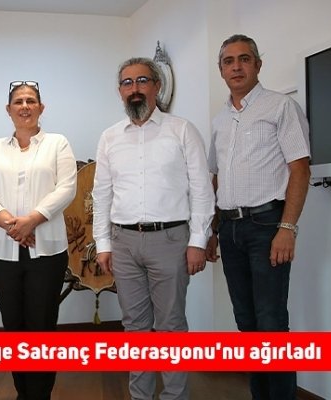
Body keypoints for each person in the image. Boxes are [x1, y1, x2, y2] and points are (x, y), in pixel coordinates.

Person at [92, 58, 215, 400]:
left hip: (171, 240)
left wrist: (198, 241)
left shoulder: (182, 130)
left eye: (142, 80)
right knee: (135, 328)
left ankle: (175, 396)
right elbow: (101, 193)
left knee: (171, 326)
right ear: (120, 91)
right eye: (127, 82)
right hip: (123, 242)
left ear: (156, 86)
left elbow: (202, 189)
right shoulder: (110, 137)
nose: (135, 88)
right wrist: (103, 243)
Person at [206, 34, 310, 400]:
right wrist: (213, 230)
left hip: (268, 226)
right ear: (221, 70)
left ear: (257, 65)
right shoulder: (220, 120)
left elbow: (300, 169)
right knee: (247, 324)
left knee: (271, 323)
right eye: (229, 61)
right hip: (230, 228)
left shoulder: (281, 107)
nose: (236, 66)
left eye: (244, 59)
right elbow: (216, 177)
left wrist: (287, 228)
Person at [0, 80, 76, 400]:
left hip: (47, 252)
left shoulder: (57, 143)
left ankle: (40, 394)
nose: (25, 106)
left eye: (31, 101)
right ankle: (23, 392)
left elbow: (66, 188)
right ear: (9, 110)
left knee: (42, 326)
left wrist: (32, 219)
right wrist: (11, 224)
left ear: (41, 108)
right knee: (13, 326)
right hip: (2, 251)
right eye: (18, 102)